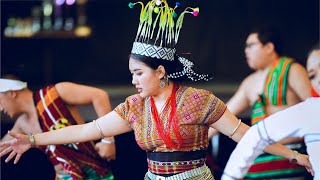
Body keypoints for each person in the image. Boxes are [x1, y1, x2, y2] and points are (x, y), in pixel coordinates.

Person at [0, 1, 314, 179]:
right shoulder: (135, 106)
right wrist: (31, 139)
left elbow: (245, 133)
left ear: (160, 71)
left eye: (138, 73)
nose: (134, 80)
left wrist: (294, 156)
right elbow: (87, 130)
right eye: (131, 74)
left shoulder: (198, 101)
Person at [208, 26, 311, 179]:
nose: (246, 51)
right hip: (258, 160)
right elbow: (222, 116)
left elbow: (315, 108)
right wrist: (199, 140)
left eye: (251, 45)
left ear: (269, 47)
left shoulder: (293, 70)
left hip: (290, 158)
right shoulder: (250, 82)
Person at [0, 78, 115, 180]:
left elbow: (99, 95)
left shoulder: (56, 92)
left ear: (12, 93)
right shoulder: (22, 124)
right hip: (64, 176)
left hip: (94, 170)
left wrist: (108, 140)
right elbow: (2, 146)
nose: (0, 108)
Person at [221, 97, 319, 180]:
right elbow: (254, 135)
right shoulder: (312, 107)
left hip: (284, 168)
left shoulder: (312, 107)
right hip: (266, 169)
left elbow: (251, 135)